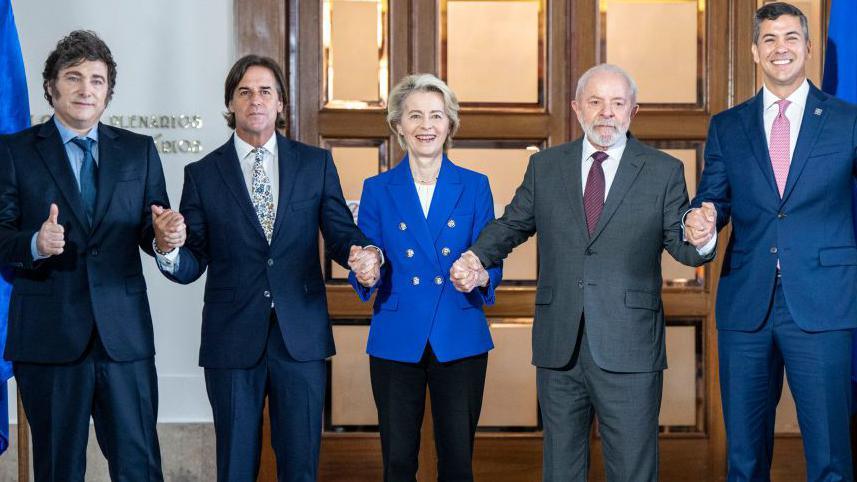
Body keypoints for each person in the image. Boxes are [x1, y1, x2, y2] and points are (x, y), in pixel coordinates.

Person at [450, 64, 712, 482]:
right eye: (595, 102)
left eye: (617, 103)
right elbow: (513, 224)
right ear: (576, 108)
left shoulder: (663, 170)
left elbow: (683, 247)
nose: (606, 113)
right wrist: (476, 258)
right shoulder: (546, 166)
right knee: (561, 468)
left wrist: (703, 238)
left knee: (632, 469)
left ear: (633, 111)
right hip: (560, 344)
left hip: (630, 345)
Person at [151, 54, 380, 482]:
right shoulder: (202, 174)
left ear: (280, 105)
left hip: (301, 334)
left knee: (300, 464)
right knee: (236, 465)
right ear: (231, 104)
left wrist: (359, 253)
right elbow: (191, 261)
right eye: (244, 92)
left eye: (265, 91)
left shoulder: (315, 164)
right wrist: (168, 246)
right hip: (231, 336)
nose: (255, 100)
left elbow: (340, 232)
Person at [685, 3, 857, 480]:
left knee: (830, 458)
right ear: (755, 52)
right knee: (743, 457)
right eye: (769, 40)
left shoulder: (847, 121)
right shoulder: (727, 125)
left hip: (824, 302)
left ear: (807, 47)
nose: (780, 48)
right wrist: (701, 223)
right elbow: (712, 199)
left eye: (790, 38)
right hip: (746, 304)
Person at [0, 30, 168, 481]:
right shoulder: (14, 152)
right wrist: (35, 243)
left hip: (124, 339)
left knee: (139, 467)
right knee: (58, 469)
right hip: (49, 338)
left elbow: (150, 231)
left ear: (108, 92)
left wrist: (165, 240)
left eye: (96, 79)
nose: (85, 89)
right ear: (51, 87)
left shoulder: (138, 152)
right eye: (73, 78)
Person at [348, 73, 502, 482]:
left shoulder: (475, 186)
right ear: (398, 125)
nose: (426, 125)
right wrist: (366, 269)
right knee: (398, 462)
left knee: (457, 463)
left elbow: (490, 254)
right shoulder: (377, 189)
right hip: (398, 335)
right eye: (415, 116)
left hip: (459, 331)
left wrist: (481, 275)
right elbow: (368, 260)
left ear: (450, 124)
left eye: (436, 115)